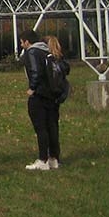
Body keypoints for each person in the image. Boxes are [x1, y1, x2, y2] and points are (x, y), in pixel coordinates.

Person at [21, 30, 70, 171]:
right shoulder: (47, 52)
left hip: (39, 95)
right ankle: (54, 158)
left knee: (41, 128)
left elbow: (36, 71)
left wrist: (32, 87)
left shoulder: (32, 52)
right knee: (52, 127)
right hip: (52, 95)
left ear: (27, 41)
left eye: (21, 42)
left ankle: (42, 159)